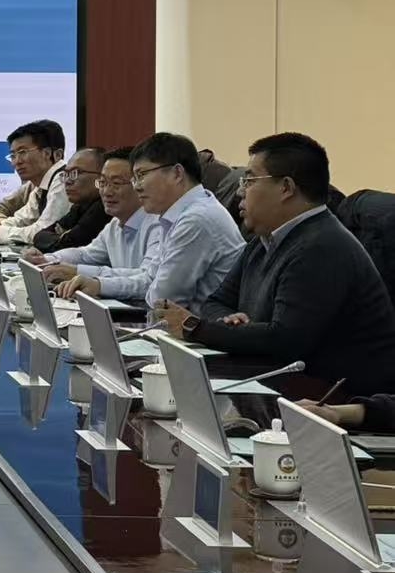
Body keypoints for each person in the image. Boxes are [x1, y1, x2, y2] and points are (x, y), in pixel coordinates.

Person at [160, 133, 395, 394]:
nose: (239, 192)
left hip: (331, 399)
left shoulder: (321, 247)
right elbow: (215, 301)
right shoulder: (263, 241)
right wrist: (228, 322)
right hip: (273, 378)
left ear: (286, 188)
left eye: (249, 181)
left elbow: (284, 341)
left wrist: (194, 327)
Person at [72, 132, 243, 311]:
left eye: (141, 175)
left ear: (177, 173)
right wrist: (100, 285)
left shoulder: (196, 220)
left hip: (198, 327)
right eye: (134, 178)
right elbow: (149, 279)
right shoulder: (176, 215)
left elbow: (161, 300)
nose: (137, 186)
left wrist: (103, 286)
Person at [41, 151, 156, 295]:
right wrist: (46, 260)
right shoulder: (115, 224)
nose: (107, 191)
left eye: (116, 183)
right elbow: (85, 255)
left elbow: (148, 278)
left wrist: (80, 273)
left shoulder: (157, 224)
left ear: (139, 185)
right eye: (102, 183)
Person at [0, 120, 70, 243]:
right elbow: (22, 220)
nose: (17, 162)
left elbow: (42, 231)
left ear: (47, 153)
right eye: (13, 156)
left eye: (22, 152)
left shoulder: (63, 179)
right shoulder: (40, 187)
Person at [26, 148, 109, 253]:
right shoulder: (79, 206)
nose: (68, 181)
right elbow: (39, 236)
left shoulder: (104, 208)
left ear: (102, 177)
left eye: (76, 173)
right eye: (66, 174)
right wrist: (62, 238)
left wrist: (62, 238)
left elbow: (66, 246)